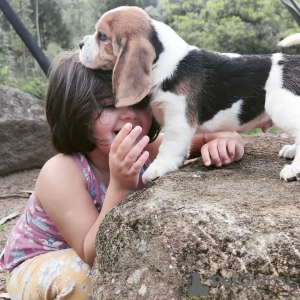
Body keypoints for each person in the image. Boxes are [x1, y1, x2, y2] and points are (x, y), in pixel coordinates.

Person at [0, 51, 244, 299]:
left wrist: (225, 139)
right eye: (109, 104)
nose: (129, 114)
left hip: (103, 253)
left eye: (138, 102)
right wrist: (120, 187)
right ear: (75, 112)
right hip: (39, 265)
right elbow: (92, 254)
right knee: (89, 277)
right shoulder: (61, 171)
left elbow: (199, 136)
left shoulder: (146, 149)